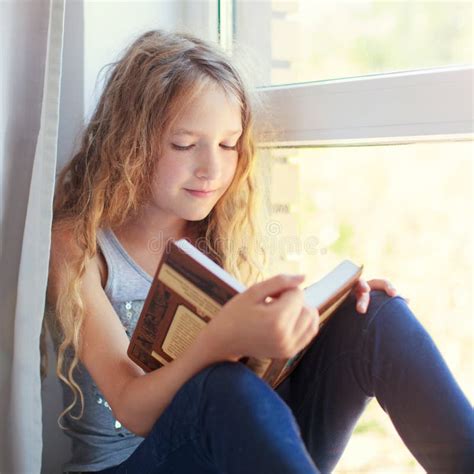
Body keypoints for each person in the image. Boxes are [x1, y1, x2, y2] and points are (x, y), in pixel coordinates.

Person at [44, 29, 474, 474]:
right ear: (130, 144)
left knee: (375, 316)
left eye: (229, 145)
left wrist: (322, 317)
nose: (212, 168)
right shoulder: (78, 244)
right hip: (130, 465)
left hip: (230, 452)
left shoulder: (216, 236)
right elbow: (132, 406)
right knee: (221, 386)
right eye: (185, 144)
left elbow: (260, 382)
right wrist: (222, 340)